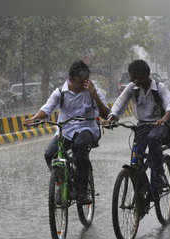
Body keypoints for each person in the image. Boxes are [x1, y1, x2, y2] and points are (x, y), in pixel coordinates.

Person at [25, 60, 109, 204]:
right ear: (70, 80)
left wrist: (94, 95)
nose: (84, 85)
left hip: (87, 128)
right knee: (50, 154)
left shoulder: (93, 91)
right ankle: (63, 183)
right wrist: (35, 119)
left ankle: (82, 191)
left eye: (86, 81)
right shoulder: (60, 92)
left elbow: (106, 114)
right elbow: (47, 108)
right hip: (66, 131)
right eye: (80, 82)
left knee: (79, 147)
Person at [107, 59, 170, 194]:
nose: (133, 81)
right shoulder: (132, 87)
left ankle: (159, 177)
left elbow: (169, 104)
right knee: (137, 155)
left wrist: (164, 118)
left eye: (135, 78)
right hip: (142, 125)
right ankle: (143, 186)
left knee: (153, 139)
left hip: (160, 124)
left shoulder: (159, 88)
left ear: (145, 75)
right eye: (132, 78)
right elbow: (120, 102)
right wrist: (112, 117)